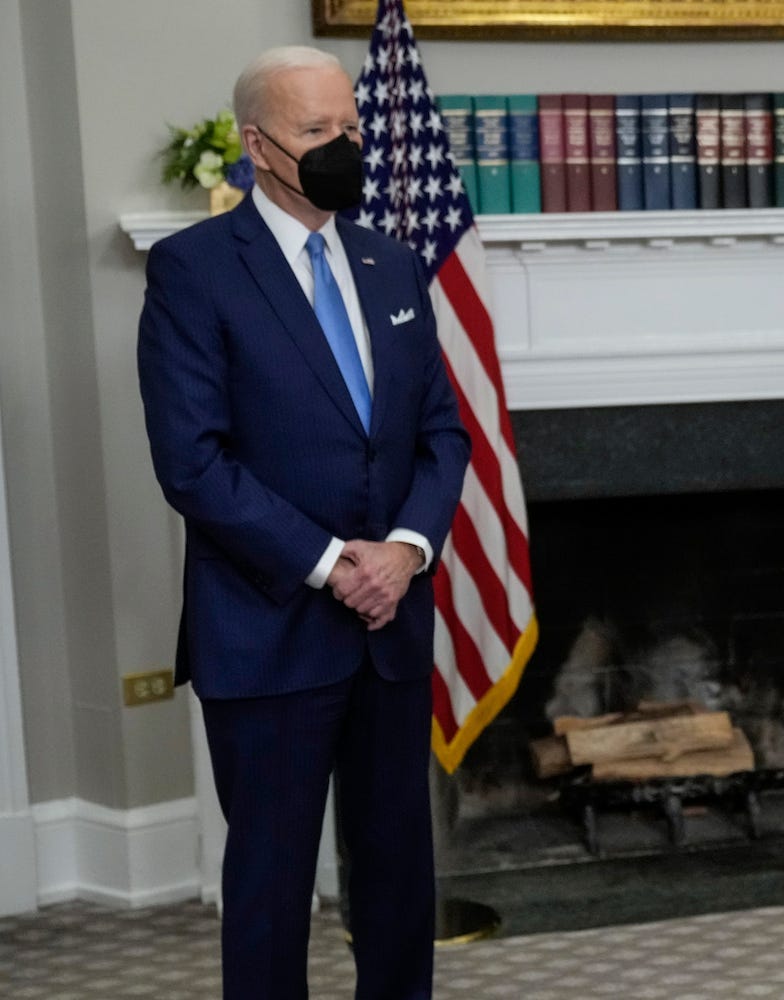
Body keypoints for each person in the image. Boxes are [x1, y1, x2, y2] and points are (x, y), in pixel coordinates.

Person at [136, 46, 469, 1000]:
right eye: (318, 132)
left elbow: (441, 433)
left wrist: (403, 553)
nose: (344, 148)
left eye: (351, 129)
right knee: (273, 887)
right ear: (257, 146)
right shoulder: (194, 271)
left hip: (392, 626)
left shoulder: (392, 261)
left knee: (399, 871)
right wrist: (335, 565)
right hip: (269, 628)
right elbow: (193, 464)